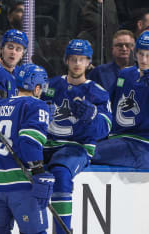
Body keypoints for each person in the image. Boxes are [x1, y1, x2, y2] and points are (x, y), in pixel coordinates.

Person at [0, 63, 55, 233]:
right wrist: (39, 171)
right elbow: (29, 141)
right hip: (19, 182)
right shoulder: (37, 105)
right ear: (37, 87)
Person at [41, 39, 111, 234]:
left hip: (77, 147)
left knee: (61, 173)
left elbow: (105, 128)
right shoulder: (51, 85)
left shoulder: (97, 93)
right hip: (47, 144)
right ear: (66, 60)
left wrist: (92, 116)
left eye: (82, 59)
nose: (77, 63)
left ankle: (62, 230)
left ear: (89, 63)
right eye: (73, 59)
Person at [92, 31, 149, 169]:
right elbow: (109, 105)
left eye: (148, 55)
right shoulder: (125, 74)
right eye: (141, 54)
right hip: (120, 140)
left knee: (89, 153)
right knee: (85, 147)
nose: (143, 59)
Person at [88, 30, 135, 99]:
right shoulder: (99, 72)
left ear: (134, 48)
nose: (124, 49)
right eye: (120, 45)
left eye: (128, 45)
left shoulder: (141, 72)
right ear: (112, 49)